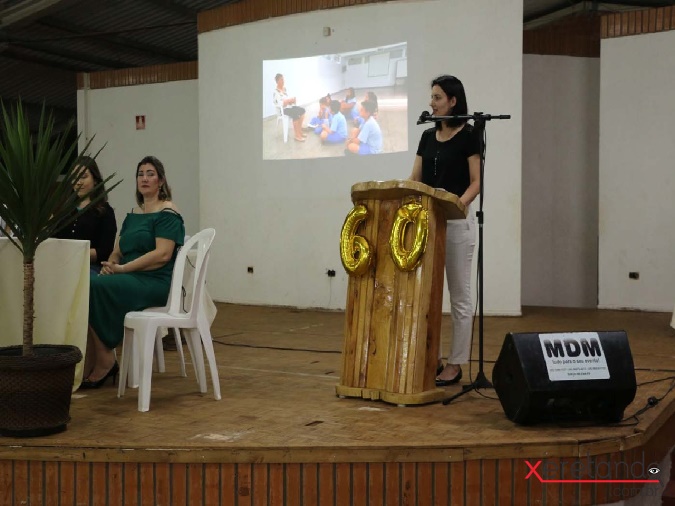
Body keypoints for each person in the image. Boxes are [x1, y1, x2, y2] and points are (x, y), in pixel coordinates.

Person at [81, 155, 185, 388]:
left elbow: (162, 255)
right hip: (128, 277)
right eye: (140, 174)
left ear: (161, 181)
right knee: (85, 285)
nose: (144, 179)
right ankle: (94, 357)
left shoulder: (168, 212)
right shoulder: (134, 214)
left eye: (150, 174)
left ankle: (105, 359)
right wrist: (111, 265)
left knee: (91, 286)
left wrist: (123, 269)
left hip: (153, 281)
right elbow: (118, 250)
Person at [409, 75, 480, 386]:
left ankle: (456, 363)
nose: (432, 103)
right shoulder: (427, 136)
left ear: (453, 101)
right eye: (432, 97)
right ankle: (432, 358)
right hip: (430, 223)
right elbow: (415, 179)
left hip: (457, 224)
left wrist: (457, 205)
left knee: (459, 297)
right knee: (429, 294)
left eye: (437, 97)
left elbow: (476, 182)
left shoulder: (470, 135)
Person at [54, 156, 117, 274]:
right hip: (60, 264)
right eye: (75, 177)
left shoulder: (105, 212)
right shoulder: (64, 210)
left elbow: (105, 251)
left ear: (95, 180)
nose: (78, 182)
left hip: (89, 267)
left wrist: (75, 253)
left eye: (83, 177)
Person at [273, 73, 307, 142]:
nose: (283, 81)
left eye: (283, 79)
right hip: (282, 110)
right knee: (295, 113)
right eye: (281, 80)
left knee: (302, 110)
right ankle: (297, 136)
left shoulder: (284, 89)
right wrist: (288, 101)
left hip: (289, 107)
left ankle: (299, 131)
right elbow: (279, 103)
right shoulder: (275, 92)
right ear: (277, 81)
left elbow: (287, 99)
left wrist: (292, 101)